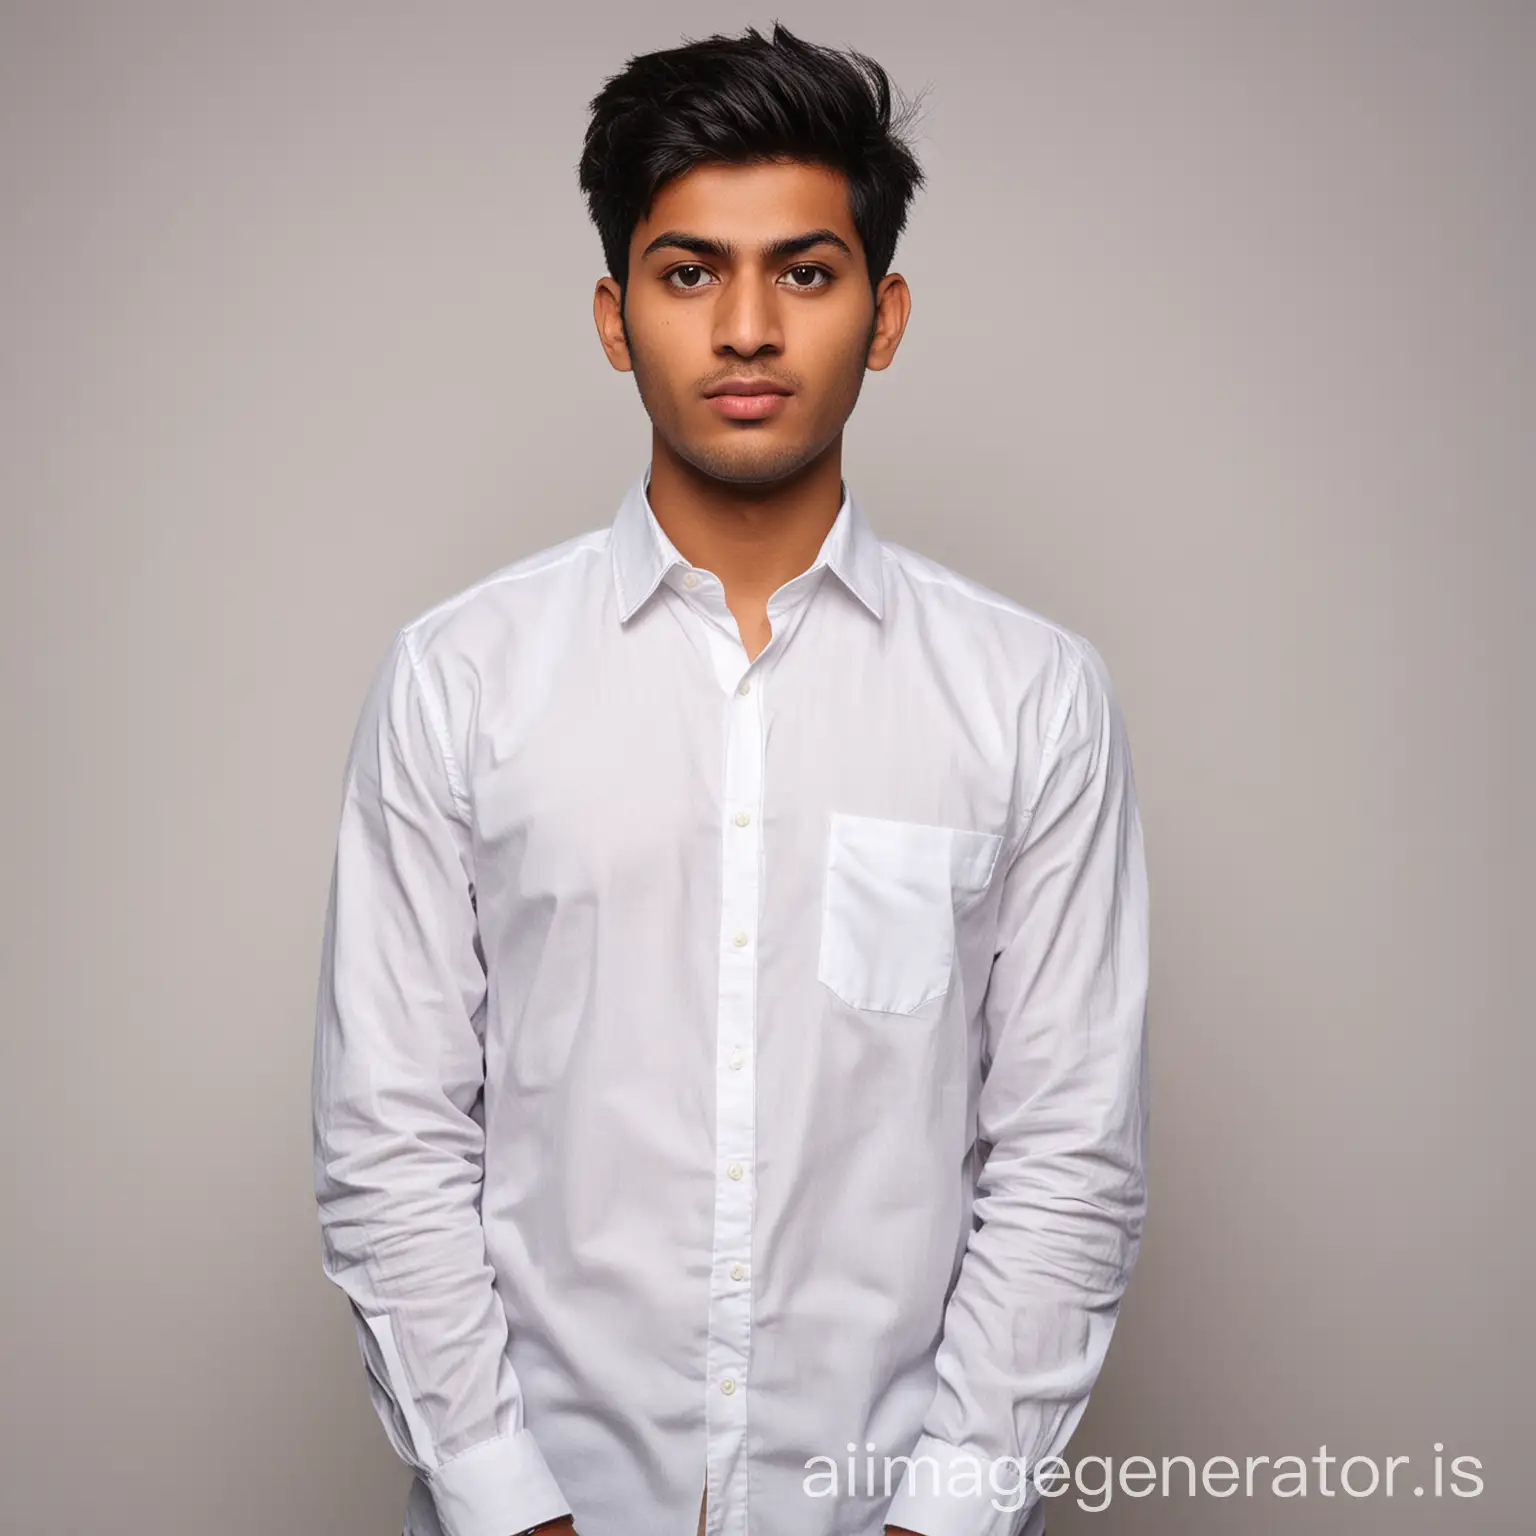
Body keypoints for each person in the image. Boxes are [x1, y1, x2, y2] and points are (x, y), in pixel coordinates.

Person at [311, 22, 1149, 1536]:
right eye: (689, 272)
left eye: (805, 273)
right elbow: (392, 1136)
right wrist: (509, 1506)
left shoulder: (1032, 699)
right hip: (548, 1502)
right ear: (613, 314)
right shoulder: (461, 679)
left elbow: (1067, 1156)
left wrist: (945, 1514)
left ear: (883, 316)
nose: (747, 327)